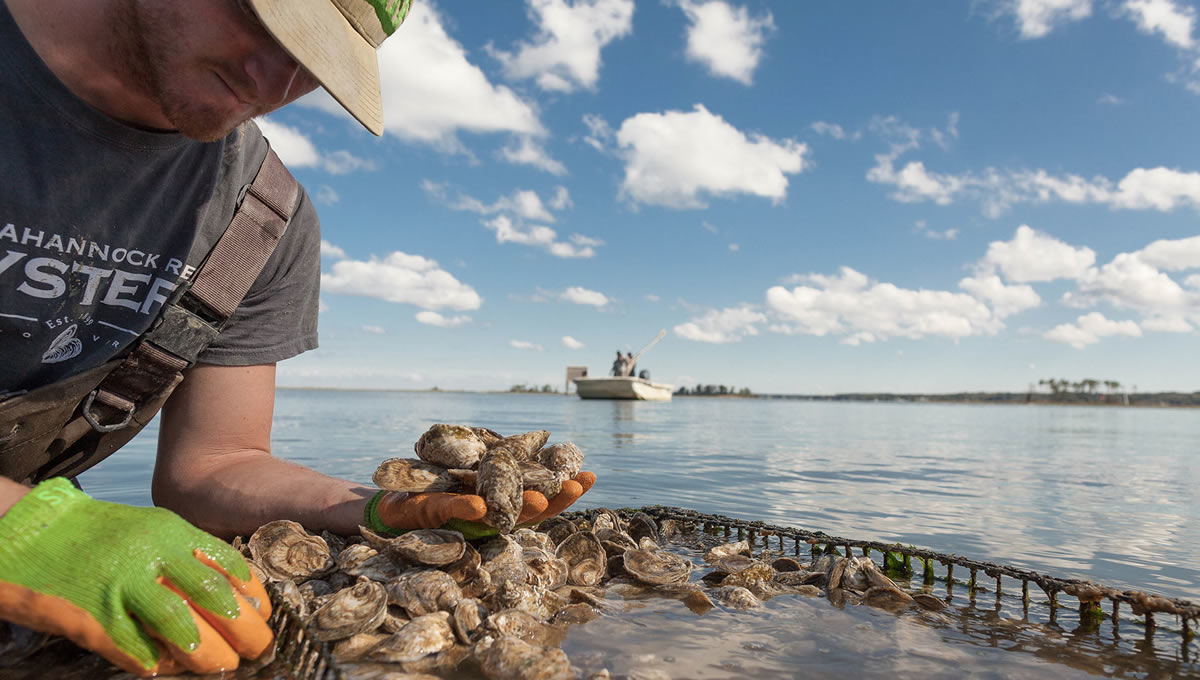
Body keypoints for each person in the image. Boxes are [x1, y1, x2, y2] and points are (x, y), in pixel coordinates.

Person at [0, 0, 592, 676]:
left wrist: (376, 509)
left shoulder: (261, 219)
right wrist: (24, 531)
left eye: (314, 60)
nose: (273, 82)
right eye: (264, 19)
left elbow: (213, 467)